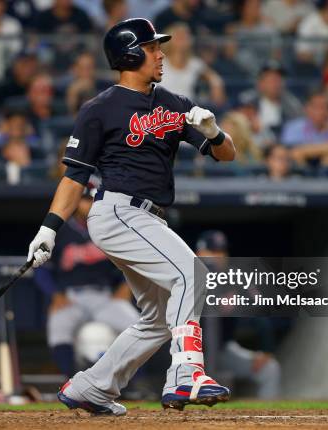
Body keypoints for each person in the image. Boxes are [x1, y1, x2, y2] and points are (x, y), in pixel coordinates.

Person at [26, 18, 235, 415]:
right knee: (193, 274)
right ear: (130, 54)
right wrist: (48, 229)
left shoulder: (174, 102)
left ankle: (92, 386)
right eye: (153, 47)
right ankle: (186, 373)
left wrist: (213, 133)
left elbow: (229, 155)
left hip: (150, 218)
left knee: (157, 320)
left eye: (158, 47)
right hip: (118, 210)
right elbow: (75, 176)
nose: (161, 54)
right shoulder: (99, 109)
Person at [35, 182, 140, 378]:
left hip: (105, 297)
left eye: (92, 200)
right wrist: (55, 295)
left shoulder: (111, 230)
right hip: (71, 298)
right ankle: (70, 382)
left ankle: (135, 384)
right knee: (58, 329)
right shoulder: (59, 232)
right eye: (84, 200)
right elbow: (41, 271)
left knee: (137, 326)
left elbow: (133, 262)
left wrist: (126, 287)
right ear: (75, 202)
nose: (89, 205)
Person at [195, 230, 281, 399]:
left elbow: (259, 310)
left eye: (222, 251)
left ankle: (268, 422)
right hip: (187, 351)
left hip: (222, 350)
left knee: (270, 369)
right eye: (213, 251)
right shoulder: (186, 276)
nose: (219, 256)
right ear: (199, 253)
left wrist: (266, 349)